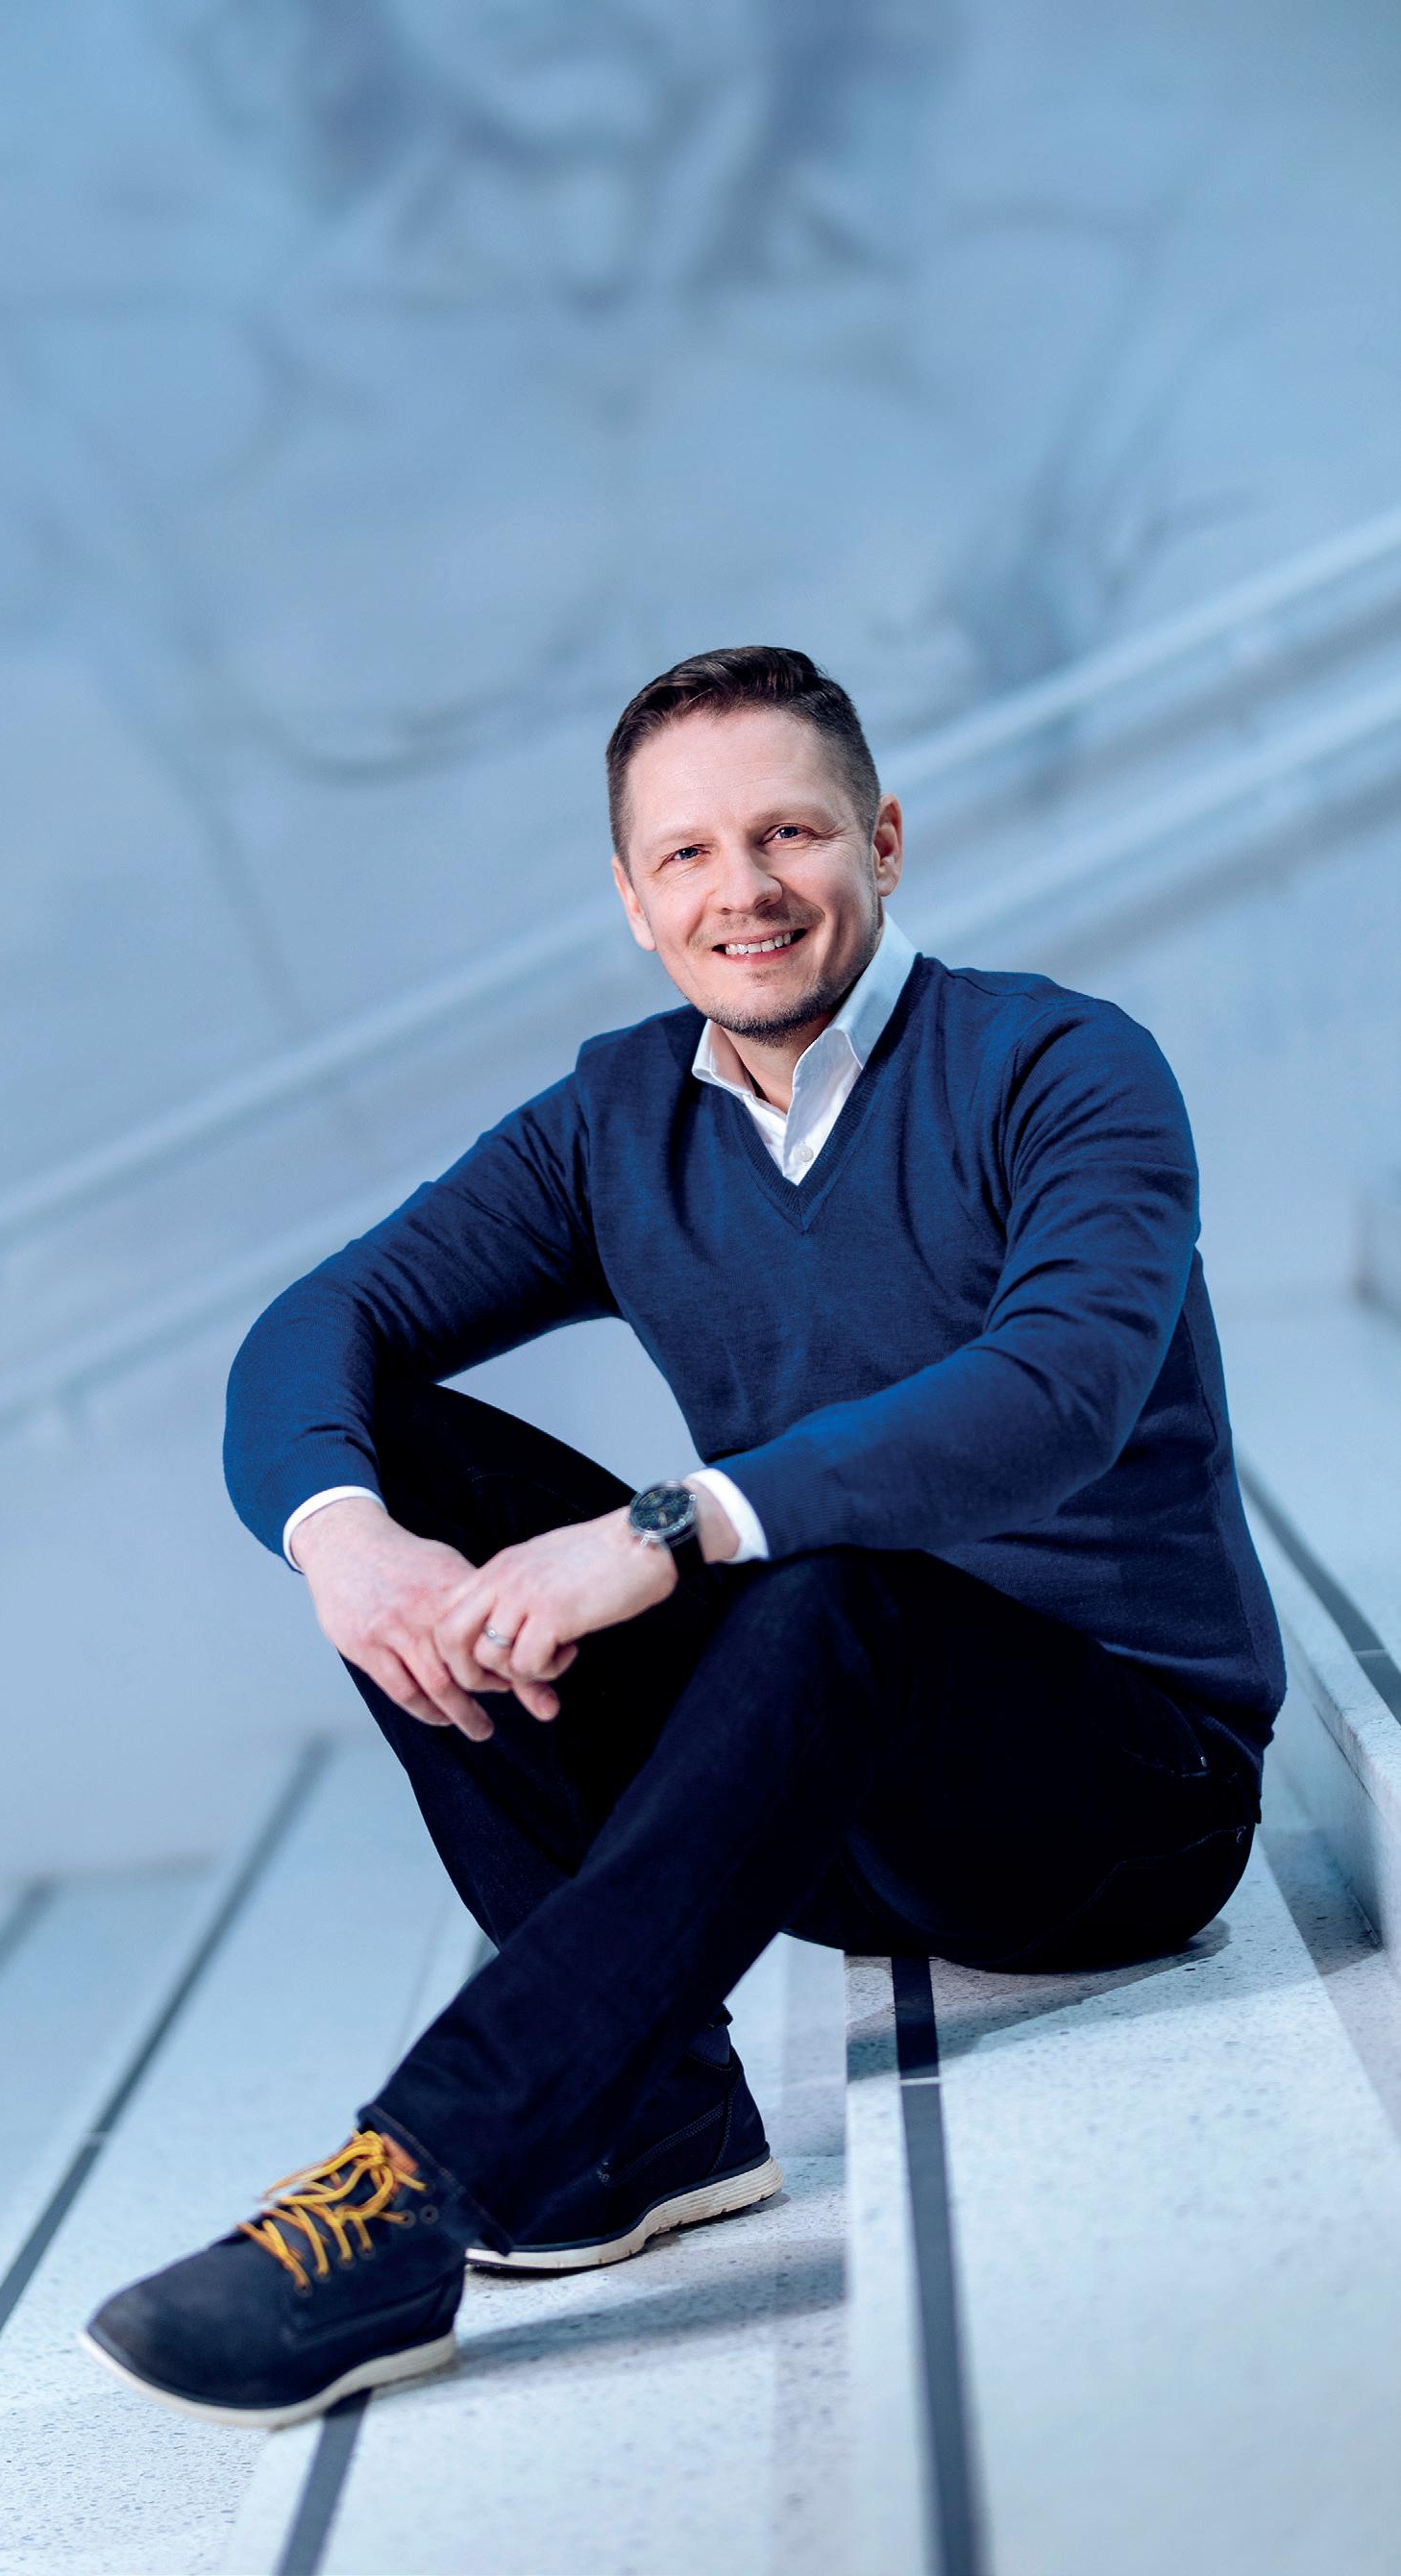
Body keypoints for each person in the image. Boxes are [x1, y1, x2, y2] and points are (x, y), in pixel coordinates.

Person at [83, 644, 1285, 2431]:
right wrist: (347, 1545)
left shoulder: (1058, 1066)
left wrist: (673, 1525)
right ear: (636, 902)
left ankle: (415, 2193)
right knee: (391, 1455)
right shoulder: (615, 1121)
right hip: (825, 1796)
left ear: (883, 841)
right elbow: (319, 1325)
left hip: (1120, 1801)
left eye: (790, 833)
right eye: (689, 855)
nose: (746, 891)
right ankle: (648, 2124)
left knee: (833, 1589)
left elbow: (1060, 1389)